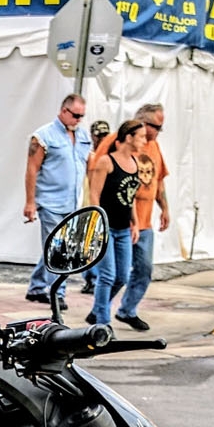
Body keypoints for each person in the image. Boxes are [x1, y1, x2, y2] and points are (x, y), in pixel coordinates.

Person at [23, 93, 90, 305]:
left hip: (71, 202)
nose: (78, 120)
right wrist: (30, 202)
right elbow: (32, 170)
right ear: (64, 111)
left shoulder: (82, 136)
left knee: (56, 244)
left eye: (82, 116)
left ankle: (36, 286)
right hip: (50, 201)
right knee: (59, 247)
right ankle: (57, 293)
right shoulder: (44, 136)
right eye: (75, 115)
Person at [84, 119, 144, 327]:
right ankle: (102, 323)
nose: (144, 141)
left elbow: (131, 197)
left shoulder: (135, 164)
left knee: (122, 277)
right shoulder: (106, 162)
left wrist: (134, 223)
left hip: (123, 228)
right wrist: (98, 222)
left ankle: (97, 310)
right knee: (107, 276)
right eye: (141, 137)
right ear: (129, 138)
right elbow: (94, 193)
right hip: (106, 226)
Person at [117, 103, 172, 331]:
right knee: (117, 274)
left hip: (146, 221)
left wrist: (165, 208)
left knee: (144, 269)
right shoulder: (121, 143)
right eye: (156, 127)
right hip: (123, 219)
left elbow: (158, 181)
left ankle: (127, 310)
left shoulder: (155, 147)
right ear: (142, 122)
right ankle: (99, 310)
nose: (158, 132)